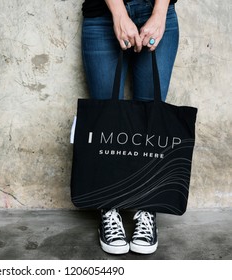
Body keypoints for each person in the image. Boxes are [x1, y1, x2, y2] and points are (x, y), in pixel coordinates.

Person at [81, 0, 179, 254]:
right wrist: (119, 12)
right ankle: (108, 205)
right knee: (106, 120)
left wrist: (159, 14)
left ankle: (146, 206)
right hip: (103, 13)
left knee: (152, 119)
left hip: (158, 13)